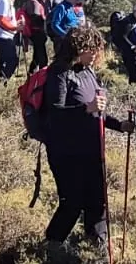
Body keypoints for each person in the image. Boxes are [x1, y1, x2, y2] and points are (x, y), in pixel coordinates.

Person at [43, 25, 130, 248]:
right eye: (92, 50)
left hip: (91, 150)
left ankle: (96, 248)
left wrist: (119, 124)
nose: (95, 55)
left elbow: (96, 110)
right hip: (66, 152)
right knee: (72, 203)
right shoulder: (60, 72)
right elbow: (55, 115)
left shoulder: (88, 71)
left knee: (97, 201)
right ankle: (51, 247)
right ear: (78, 47)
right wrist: (86, 109)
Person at [23, 0, 51, 73]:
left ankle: (32, 73)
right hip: (37, 33)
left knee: (37, 57)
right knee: (43, 58)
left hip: (37, 33)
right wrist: (46, 20)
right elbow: (35, 18)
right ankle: (43, 76)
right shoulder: (35, 3)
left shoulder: (36, 2)